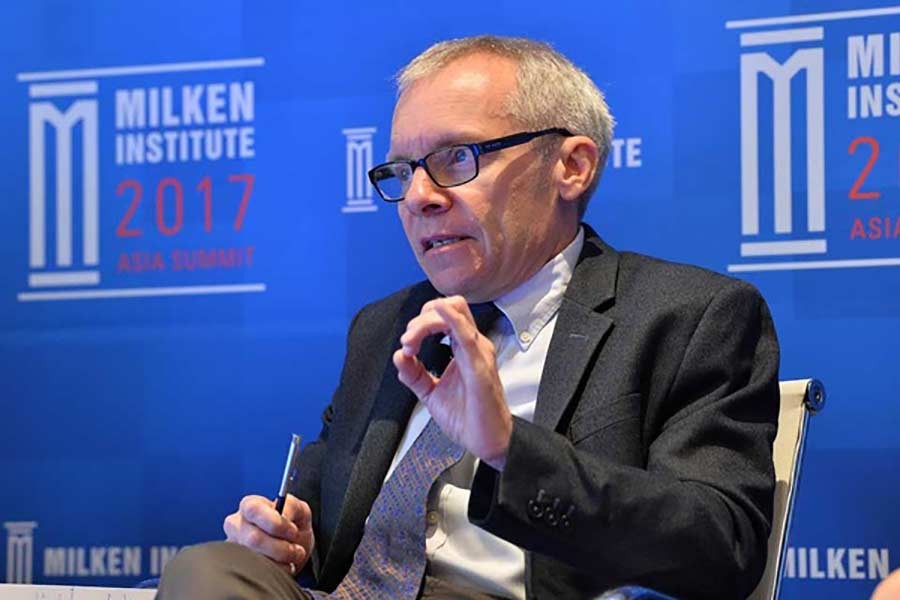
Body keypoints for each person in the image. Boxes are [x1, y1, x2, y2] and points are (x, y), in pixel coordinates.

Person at [157, 35, 779, 599]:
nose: (421, 197)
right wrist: (285, 537)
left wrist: (510, 447)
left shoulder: (686, 316)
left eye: (457, 158)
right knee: (211, 570)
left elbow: (720, 546)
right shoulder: (386, 327)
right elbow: (319, 531)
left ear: (571, 166)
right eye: (402, 171)